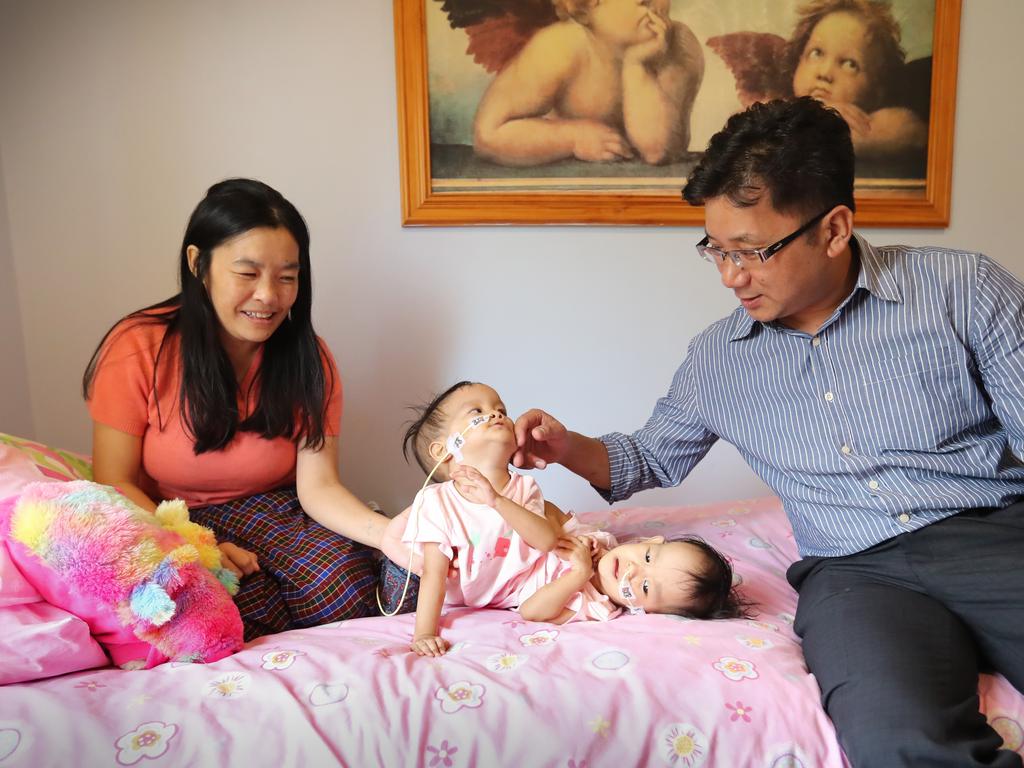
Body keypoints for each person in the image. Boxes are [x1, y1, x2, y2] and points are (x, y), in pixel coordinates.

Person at [513, 97, 1024, 767]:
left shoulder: (961, 289)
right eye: (716, 251)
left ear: (834, 228)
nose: (731, 277)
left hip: (991, 535)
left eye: (752, 252)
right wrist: (564, 445)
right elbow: (645, 459)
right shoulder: (719, 357)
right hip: (857, 575)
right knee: (895, 739)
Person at [82, 178, 393, 641]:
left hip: (276, 510)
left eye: (287, 277)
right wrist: (193, 544)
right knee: (229, 611)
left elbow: (320, 486)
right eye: (247, 274)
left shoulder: (310, 358)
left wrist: (392, 535)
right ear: (197, 264)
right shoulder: (138, 346)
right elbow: (113, 480)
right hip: (171, 513)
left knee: (346, 589)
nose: (269, 296)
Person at [380, 381, 745, 658]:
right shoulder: (444, 500)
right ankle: (380, 527)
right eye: (479, 413)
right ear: (648, 543)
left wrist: (577, 572)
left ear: (641, 610)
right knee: (400, 545)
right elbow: (434, 576)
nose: (495, 414)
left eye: (646, 588)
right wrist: (423, 631)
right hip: (434, 574)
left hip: (488, 574)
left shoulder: (594, 600)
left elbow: (536, 588)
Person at [472, 0, 704, 166]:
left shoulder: (678, 46)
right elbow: (488, 134)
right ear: (585, 10)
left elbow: (658, 151)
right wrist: (573, 138)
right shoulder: (560, 46)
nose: (653, 4)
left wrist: (637, 66)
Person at [788, 0, 927, 160]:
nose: (825, 72)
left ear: (876, 92)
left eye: (849, 64)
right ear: (798, 60)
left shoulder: (875, 124)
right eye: (816, 53)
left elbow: (912, 131)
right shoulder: (775, 104)